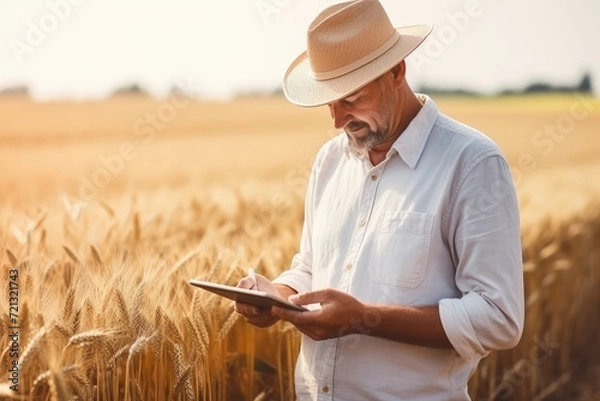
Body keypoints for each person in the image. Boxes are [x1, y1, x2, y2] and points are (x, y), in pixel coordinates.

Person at [235, 0, 524, 399]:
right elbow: (313, 267)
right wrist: (279, 295)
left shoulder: (471, 163)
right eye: (329, 102)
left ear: (397, 72)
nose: (337, 120)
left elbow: (499, 318)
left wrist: (361, 320)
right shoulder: (330, 160)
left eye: (351, 98)